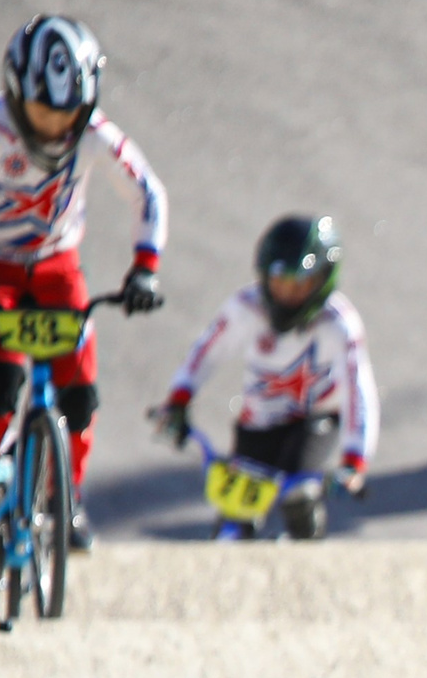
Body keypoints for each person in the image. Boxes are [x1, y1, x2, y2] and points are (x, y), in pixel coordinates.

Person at [0, 13, 168, 554]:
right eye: (43, 111)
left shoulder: (95, 135)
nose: (54, 127)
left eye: (67, 113)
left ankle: (64, 501)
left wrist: (145, 268)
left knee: (81, 396)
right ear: (16, 95)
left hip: (55, 265)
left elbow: (150, 195)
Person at [148, 214, 377, 540]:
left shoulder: (339, 324)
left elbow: (359, 392)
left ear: (322, 280)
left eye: (299, 286)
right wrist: (178, 399)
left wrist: (355, 458)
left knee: (300, 499)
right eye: (279, 284)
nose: (286, 295)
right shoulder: (246, 307)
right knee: (234, 517)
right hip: (258, 424)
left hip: (314, 423)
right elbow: (206, 353)